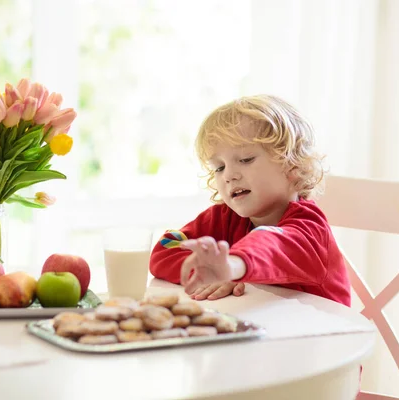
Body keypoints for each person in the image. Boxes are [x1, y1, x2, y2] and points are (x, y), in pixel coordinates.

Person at [149, 95, 351, 306]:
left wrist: (231, 266)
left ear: (293, 166)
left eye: (245, 159)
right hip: (263, 332)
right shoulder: (224, 218)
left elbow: (271, 244)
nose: (229, 175)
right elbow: (167, 248)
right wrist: (209, 272)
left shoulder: (310, 230)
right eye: (219, 167)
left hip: (324, 335)